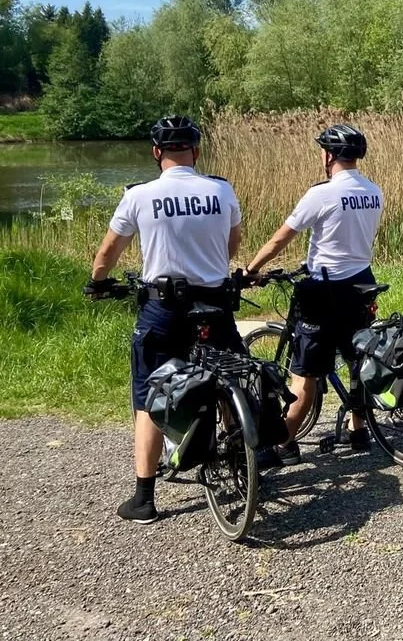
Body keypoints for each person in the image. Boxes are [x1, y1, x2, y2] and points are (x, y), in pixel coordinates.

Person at [84, 115, 244, 525]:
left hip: (164, 308)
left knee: (149, 394)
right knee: (228, 375)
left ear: (157, 153)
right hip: (214, 303)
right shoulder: (221, 190)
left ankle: (144, 498)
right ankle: (242, 458)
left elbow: (108, 252)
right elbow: (233, 240)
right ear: (196, 151)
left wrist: (97, 283)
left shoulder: (140, 195)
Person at [245, 124, 384, 467]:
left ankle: (284, 442)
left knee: (304, 373)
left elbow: (281, 239)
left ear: (329, 155)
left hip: (324, 290)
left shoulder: (322, 194)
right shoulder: (373, 191)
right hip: (362, 282)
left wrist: (250, 270)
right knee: (358, 359)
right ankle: (359, 432)